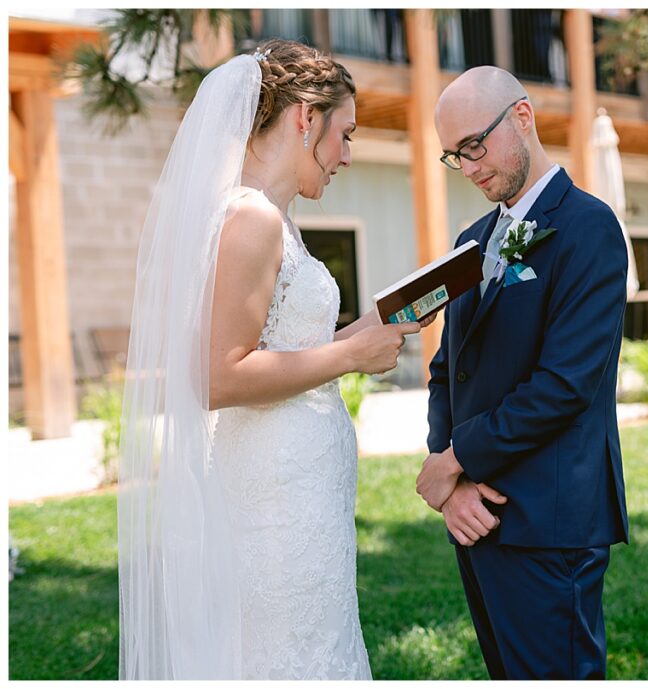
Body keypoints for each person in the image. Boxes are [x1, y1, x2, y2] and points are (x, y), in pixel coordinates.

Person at [118, 39, 428, 680]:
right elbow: (218, 374)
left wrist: (373, 328)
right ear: (305, 118)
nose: (347, 155)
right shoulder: (252, 219)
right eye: (345, 133)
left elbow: (283, 344)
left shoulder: (277, 221)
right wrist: (349, 355)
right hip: (275, 501)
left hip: (300, 489)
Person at [416, 66, 629, 680]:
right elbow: (446, 370)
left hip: (548, 519)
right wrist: (453, 486)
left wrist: (455, 459)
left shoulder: (589, 227)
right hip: (476, 517)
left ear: (522, 118)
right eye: (454, 156)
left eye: (474, 146)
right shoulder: (471, 240)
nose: (468, 167)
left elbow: (564, 385)